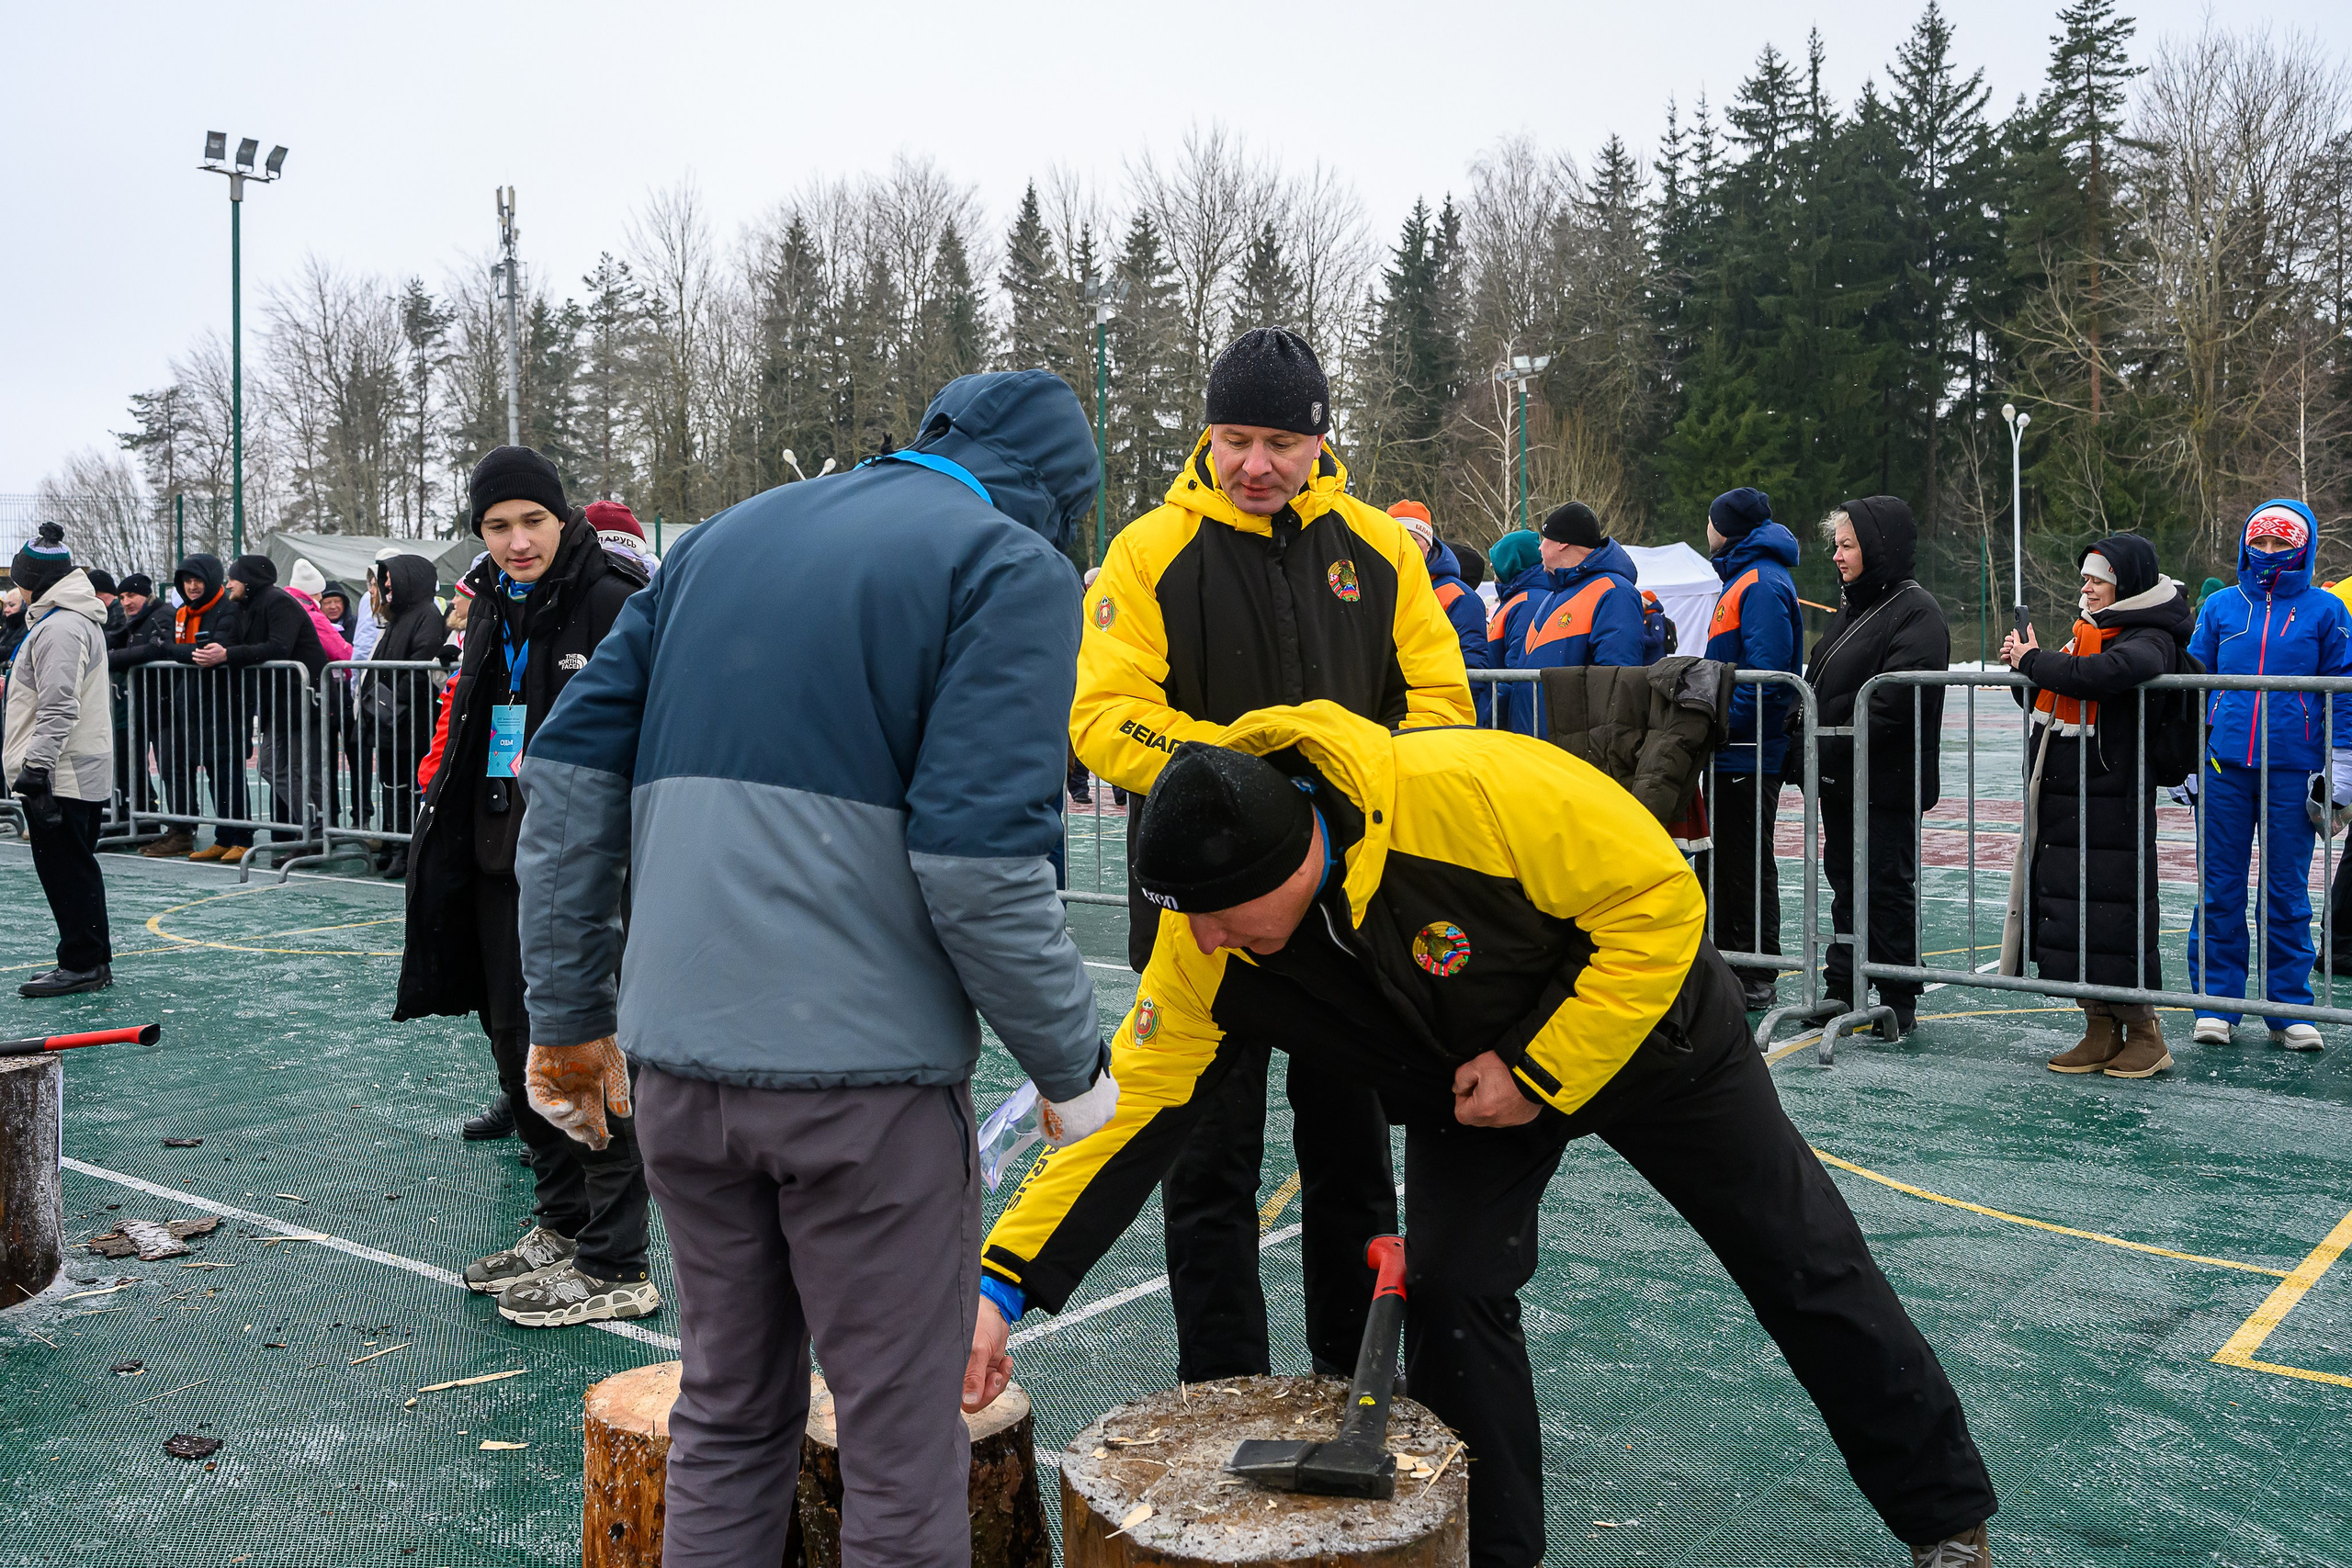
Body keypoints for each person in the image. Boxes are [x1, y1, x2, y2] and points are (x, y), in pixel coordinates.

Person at [968, 706, 1998, 1568]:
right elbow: (1139, 1103)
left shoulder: (1471, 795)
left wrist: (1537, 1069)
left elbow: (1656, 901)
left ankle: (1945, 1520)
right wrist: (998, 1286)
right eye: (1185, 917)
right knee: (1453, 1284)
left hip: (1653, 1038)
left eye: (1219, 912)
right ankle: (1494, 1554)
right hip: (1468, 1090)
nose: (1201, 939)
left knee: (1801, 1257)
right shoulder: (1208, 943)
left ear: (1295, 854)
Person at [515, 371, 1115, 1565]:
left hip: (680, 1071)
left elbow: (568, 780)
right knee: (900, 1451)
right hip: (865, 1092)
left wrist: (570, 1016)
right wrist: (1069, 1065)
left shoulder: (722, 538)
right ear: (1060, 503)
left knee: (729, 1412)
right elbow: (980, 866)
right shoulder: (1007, 562)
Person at [1073, 326, 1473, 1389]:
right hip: (1202, 913)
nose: (1255, 464)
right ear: (1207, 434)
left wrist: (1348, 799)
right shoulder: (1147, 551)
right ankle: (1221, 1389)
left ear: (1319, 440)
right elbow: (1104, 716)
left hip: (1345, 912)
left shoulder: (1379, 550)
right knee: (1207, 1164)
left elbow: (1440, 707)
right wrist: (1237, 784)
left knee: (1351, 1156)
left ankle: (1355, 1376)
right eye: (1234, 438)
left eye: (1280, 443)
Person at [394, 446, 654, 1325]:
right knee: (518, 1052)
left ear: (561, 516)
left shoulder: (610, 599)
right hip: (497, 858)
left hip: (584, 869)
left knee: (584, 1050)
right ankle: (562, 1223)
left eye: (532, 521)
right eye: (497, 526)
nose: (516, 541)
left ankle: (616, 1261)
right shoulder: (495, 603)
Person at [1997, 535, 2193, 1077]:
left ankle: (2145, 1034)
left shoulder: (2150, 634)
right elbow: (2051, 697)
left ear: (2125, 584)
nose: (2085, 587)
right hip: (2068, 800)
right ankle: (2099, 1027)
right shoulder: (2088, 633)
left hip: (2113, 803)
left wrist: (2037, 661)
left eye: (2097, 579)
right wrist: (2025, 668)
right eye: (2084, 578)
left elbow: (2105, 677)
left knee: (2114, 917)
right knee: (2074, 915)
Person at [2183, 499, 2352, 1051]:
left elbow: (2345, 692)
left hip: (2293, 771)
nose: (2270, 551)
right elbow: (2192, 685)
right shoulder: (2220, 607)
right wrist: (2187, 758)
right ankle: (2217, 1004)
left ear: (2303, 547)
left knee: (2286, 892)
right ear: (2245, 544)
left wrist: (2342, 766)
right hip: (2223, 768)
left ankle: (2288, 1006)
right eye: (2261, 541)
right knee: (2218, 887)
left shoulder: (2327, 610)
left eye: (2282, 542)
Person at [1803, 497, 1949, 1038]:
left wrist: (1828, 739)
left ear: (1878, 547)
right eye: (1836, 545)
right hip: (1844, 779)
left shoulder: (1916, 612)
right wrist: (1806, 732)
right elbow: (1824, 681)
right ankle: (1844, 986)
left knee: (1885, 885)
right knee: (1845, 882)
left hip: (1885, 782)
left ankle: (1896, 995)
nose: (1837, 556)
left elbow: (1893, 703)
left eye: (1847, 545)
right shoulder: (1856, 607)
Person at [1693, 488, 1804, 1011]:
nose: (1706, 529)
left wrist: (1720, 723)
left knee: (1744, 864)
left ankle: (1755, 969)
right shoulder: (1743, 578)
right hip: (1733, 747)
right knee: (1726, 860)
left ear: (1726, 528)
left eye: (1711, 520)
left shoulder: (1758, 582)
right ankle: (1732, 962)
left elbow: (1767, 675)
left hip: (1748, 749)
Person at [6, 525, 116, 998]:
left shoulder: (61, 626)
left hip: (60, 770)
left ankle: (84, 963)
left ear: (32, 579)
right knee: (73, 867)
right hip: (71, 766)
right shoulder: (67, 619)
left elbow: (59, 706)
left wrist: (36, 769)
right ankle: (85, 958)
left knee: (67, 870)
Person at [198, 555, 331, 855]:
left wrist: (226, 655)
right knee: (272, 767)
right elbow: (234, 643)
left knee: (297, 769)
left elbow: (279, 646)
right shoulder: (243, 606)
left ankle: (316, 832)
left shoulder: (278, 602)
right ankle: (314, 829)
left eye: (233, 578)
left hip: (303, 698)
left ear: (249, 581)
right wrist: (215, 652)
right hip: (278, 701)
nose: (228, 584)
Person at [1503, 501, 1649, 733]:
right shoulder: (1555, 596)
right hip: (1536, 743)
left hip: (1573, 747)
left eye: (1545, 539)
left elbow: (1617, 680)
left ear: (1562, 543)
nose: (1539, 549)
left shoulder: (1613, 591)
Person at [155, 553, 253, 863]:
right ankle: (223, 838)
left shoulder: (228, 608)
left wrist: (170, 649)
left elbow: (205, 652)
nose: (193, 587)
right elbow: (190, 651)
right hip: (195, 706)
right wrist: (178, 650)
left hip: (225, 703)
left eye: (198, 580)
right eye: (187, 581)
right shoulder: (183, 613)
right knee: (213, 771)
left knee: (229, 772)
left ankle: (242, 838)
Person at [369, 554, 447, 882]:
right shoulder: (399, 616)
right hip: (392, 719)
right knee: (391, 783)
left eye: (390, 576)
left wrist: (391, 702)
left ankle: (408, 849)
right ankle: (392, 844)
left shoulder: (426, 615)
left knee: (410, 786)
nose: (386, 583)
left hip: (411, 720)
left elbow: (419, 667)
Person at [106, 572, 174, 819]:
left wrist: (111, 659)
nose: (126, 602)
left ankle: (177, 826)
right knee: (134, 763)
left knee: (170, 768)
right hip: (143, 702)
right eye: (122, 597)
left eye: (131, 596)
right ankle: (141, 817)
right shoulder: (135, 619)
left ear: (146, 595)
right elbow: (116, 640)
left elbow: (155, 649)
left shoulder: (162, 614)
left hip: (164, 703)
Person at [1387, 501, 1487, 665]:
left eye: (1412, 539)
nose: (1404, 546)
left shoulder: (1458, 596)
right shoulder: (1375, 588)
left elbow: (1470, 662)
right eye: (1396, 538)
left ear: (1428, 545)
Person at [1474, 528, 1544, 728]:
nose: (1491, 565)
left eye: (1498, 559)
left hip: (1507, 719)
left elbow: (1515, 671)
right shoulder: (1516, 600)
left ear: (1514, 562)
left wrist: (1491, 718)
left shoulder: (1526, 603)